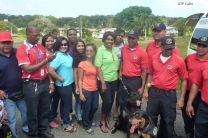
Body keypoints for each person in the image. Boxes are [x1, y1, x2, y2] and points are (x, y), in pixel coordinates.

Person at [144, 36, 188, 138]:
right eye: (166, 48)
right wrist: (146, 90)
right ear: (161, 46)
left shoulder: (179, 60)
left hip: (169, 94)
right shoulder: (154, 58)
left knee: (168, 120)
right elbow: (150, 74)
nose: (169, 50)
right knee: (151, 117)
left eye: (171, 48)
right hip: (154, 92)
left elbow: (184, 80)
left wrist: (181, 99)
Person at [16, 25, 55, 138]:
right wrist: (46, 60)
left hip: (44, 82)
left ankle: (43, 131)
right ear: (27, 34)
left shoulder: (40, 47)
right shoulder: (22, 49)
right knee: (33, 113)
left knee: (44, 109)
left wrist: (51, 82)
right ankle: (33, 134)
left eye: (38, 35)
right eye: (35, 35)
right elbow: (28, 69)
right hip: (31, 84)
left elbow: (46, 67)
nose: (38, 37)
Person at [0, 32, 28, 138]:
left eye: (9, 42)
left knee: (26, 114)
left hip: (22, 92)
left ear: (12, 43)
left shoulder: (17, 52)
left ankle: (25, 129)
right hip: (7, 95)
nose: (7, 45)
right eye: (4, 43)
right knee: (11, 118)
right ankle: (13, 135)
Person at [48, 36, 76, 133]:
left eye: (65, 44)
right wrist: (59, 78)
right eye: (61, 44)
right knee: (67, 105)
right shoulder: (58, 56)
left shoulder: (66, 54)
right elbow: (50, 70)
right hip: (63, 85)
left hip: (69, 83)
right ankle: (66, 125)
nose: (64, 46)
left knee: (64, 104)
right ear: (58, 45)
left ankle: (63, 120)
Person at [118, 28, 148, 114]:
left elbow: (144, 71)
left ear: (137, 38)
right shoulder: (123, 49)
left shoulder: (142, 52)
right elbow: (122, 61)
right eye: (129, 38)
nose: (131, 40)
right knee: (122, 100)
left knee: (135, 102)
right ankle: (123, 120)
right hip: (124, 79)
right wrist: (120, 71)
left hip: (135, 80)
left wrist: (142, 87)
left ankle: (134, 124)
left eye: (133, 38)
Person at [181, 39, 206, 138]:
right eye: (199, 45)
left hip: (203, 96)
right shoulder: (189, 58)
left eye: (204, 46)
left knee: (201, 122)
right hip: (188, 93)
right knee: (188, 118)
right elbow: (183, 75)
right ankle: (189, 134)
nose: (200, 48)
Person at [95, 31, 119, 133]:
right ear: (104, 40)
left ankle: (106, 118)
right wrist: (103, 83)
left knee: (111, 101)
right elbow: (98, 67)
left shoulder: (114, 50)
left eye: (112, 39)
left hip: (114, 79)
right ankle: (102, 121)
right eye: (108, 39)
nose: (110, 41)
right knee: (107, 101)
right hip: (103, 80)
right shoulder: (100, 50)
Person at [41, 34, 62, 129]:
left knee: (56, 99)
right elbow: (47, 68)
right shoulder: (42, 52)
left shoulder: (54, 51)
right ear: (44, 42)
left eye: (52, 41)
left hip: (55, 79)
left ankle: (54, 115)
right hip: (48, 80)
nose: (50, 42)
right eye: (48, 41)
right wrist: (51, 82)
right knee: (47, 101)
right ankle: (49, 120)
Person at [78, 44, 99, 134]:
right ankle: (86, 125)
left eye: (91, 51)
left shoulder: (95, 64)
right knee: (87, 108)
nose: (89, 52)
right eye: (87, 50)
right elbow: (80, 80)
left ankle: (89, 120)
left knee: (94, 107)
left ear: (94, 52)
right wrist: (81, 93)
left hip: (95, 90)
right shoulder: (82, 64)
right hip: (86, 90)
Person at [113, 29, 125, 120]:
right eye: (119, 35)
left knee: (119, 92)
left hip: (119, 71)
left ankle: (116, 109)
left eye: (122, 36)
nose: (120, 37)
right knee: (109, 93)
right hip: (109, 72)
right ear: (115, 35)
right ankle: (107, 107)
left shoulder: (124, 46)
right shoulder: (109, 44)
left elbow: (124, 60)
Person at [73, 39, 86, 124]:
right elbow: (75, 73)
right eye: (79, 46)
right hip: (78, 82)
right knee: (78, 100)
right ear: (76, 47)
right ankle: (78, 117)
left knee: (83, 99)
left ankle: (82, 114)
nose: (81, 47)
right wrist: (77, 86)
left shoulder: (86, 56)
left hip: (86, 82)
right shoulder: (76, 58)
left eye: (82, 46)